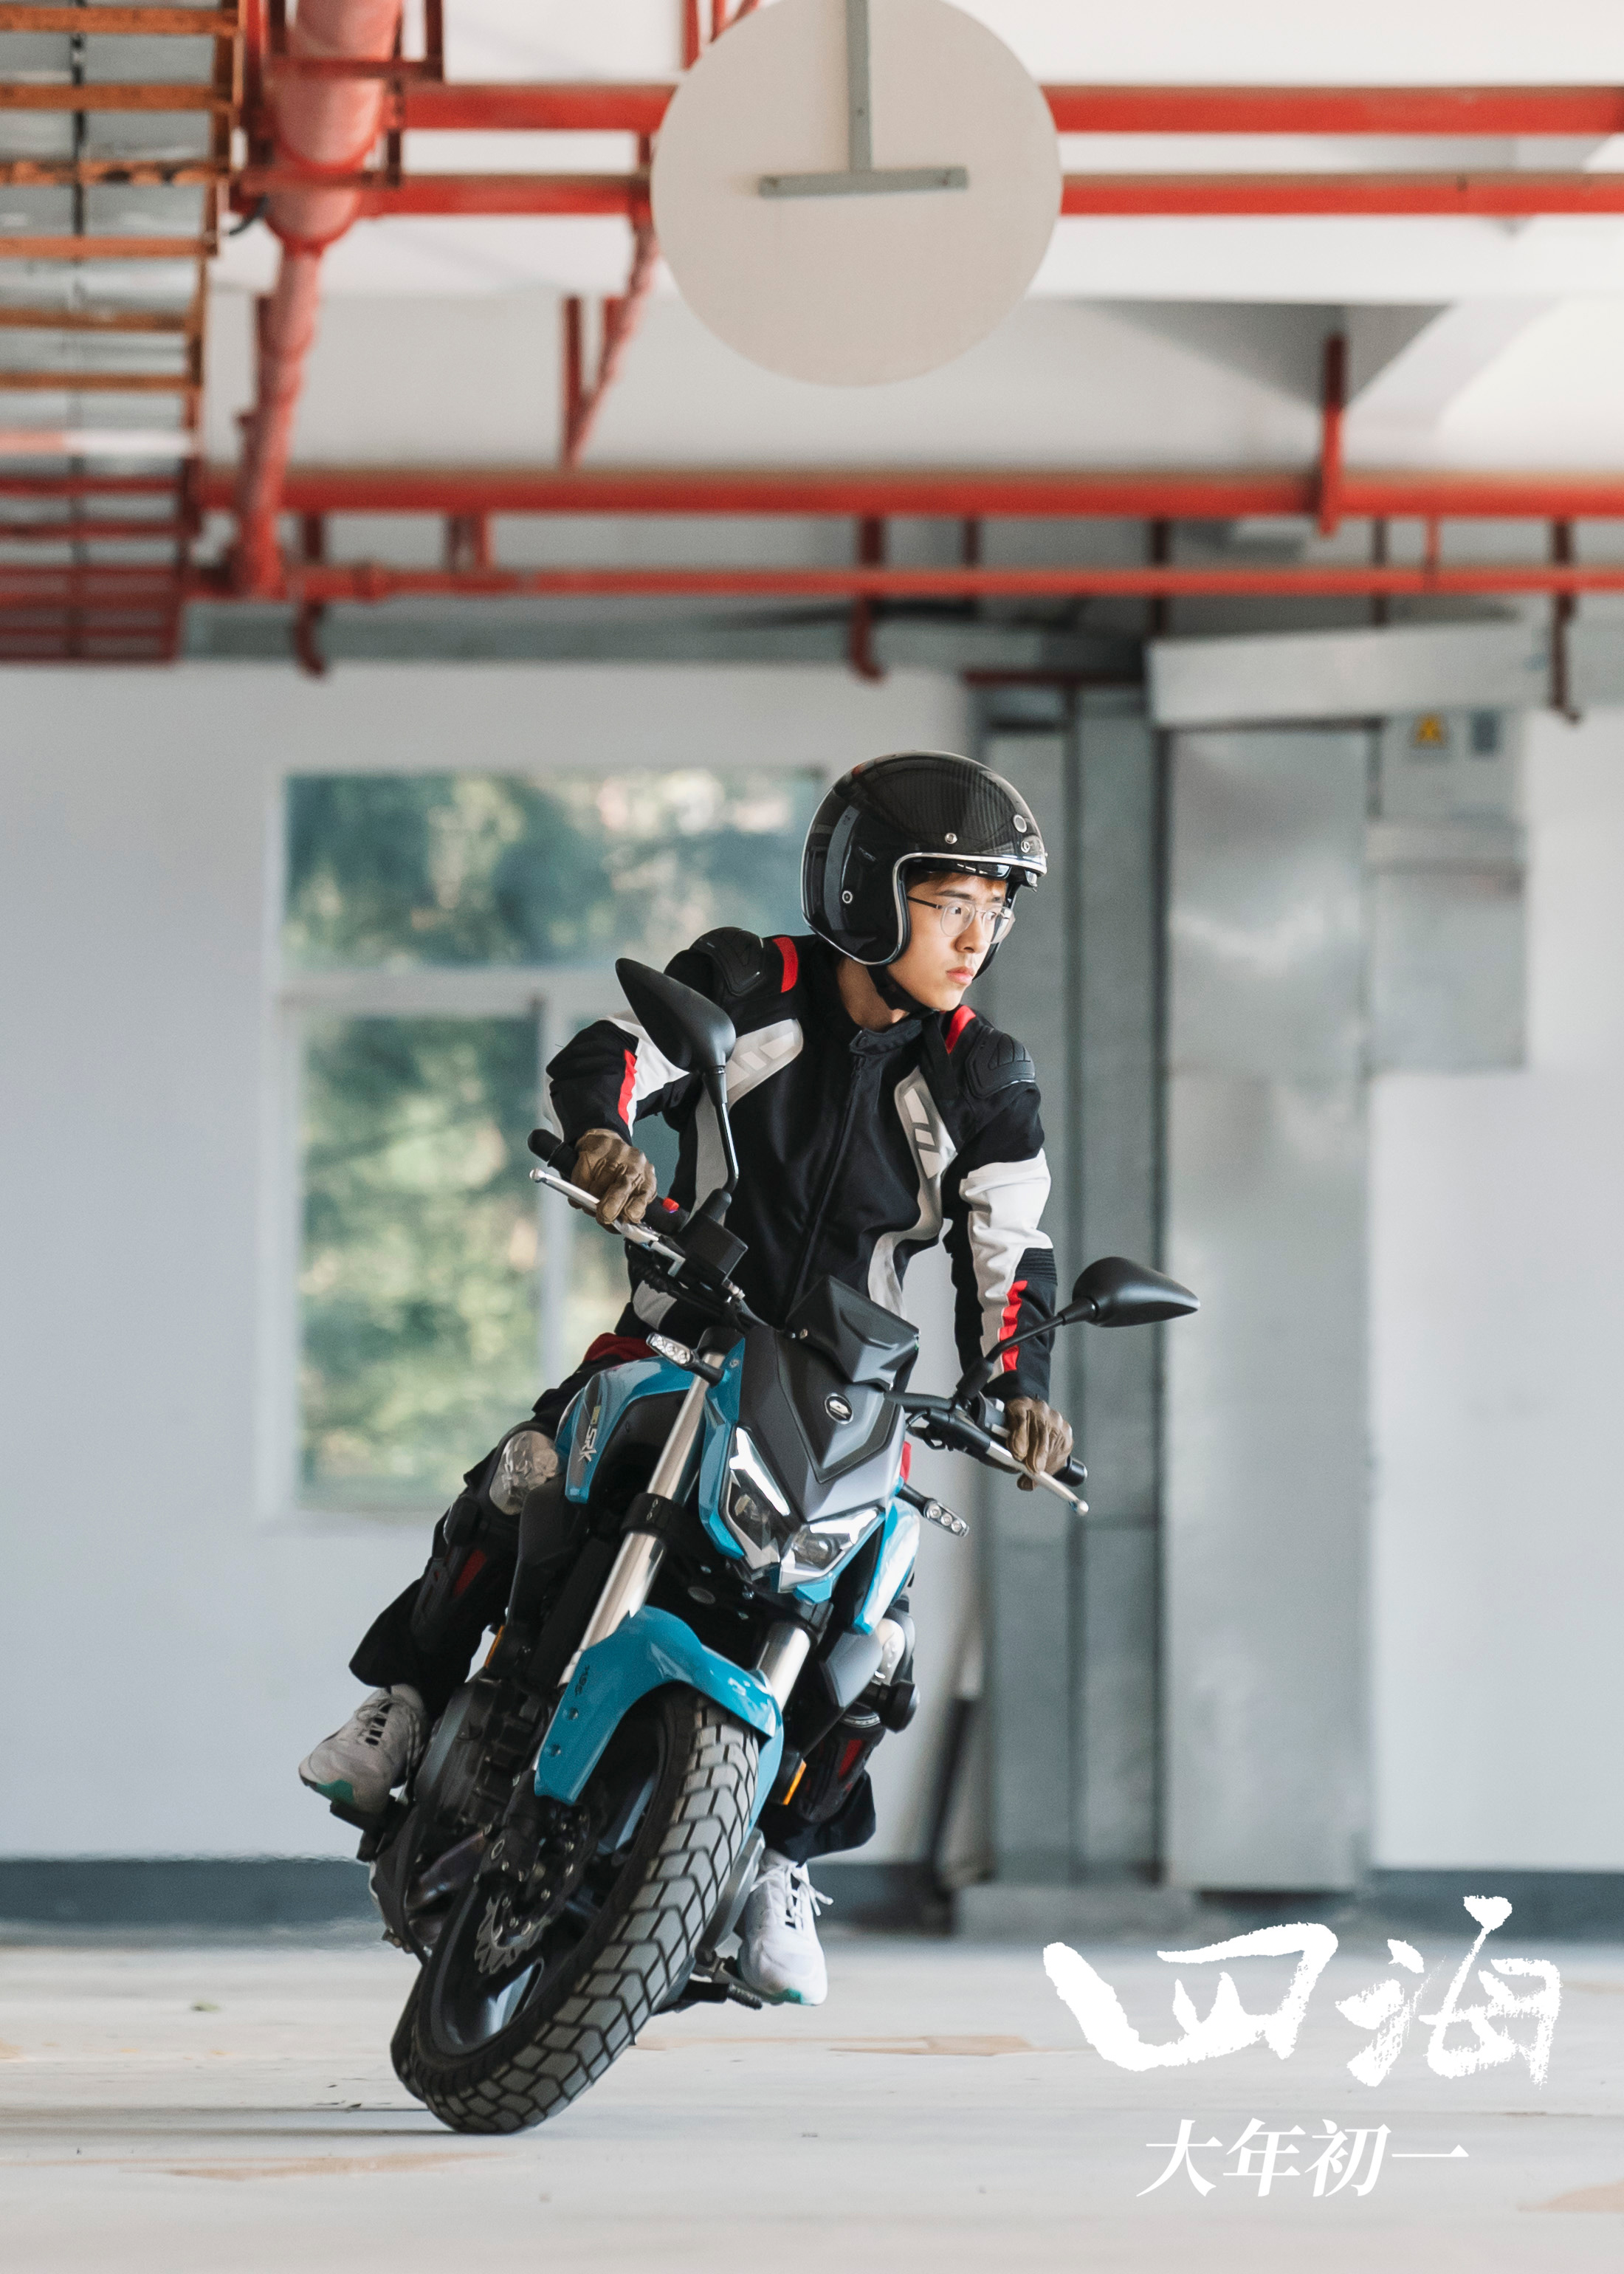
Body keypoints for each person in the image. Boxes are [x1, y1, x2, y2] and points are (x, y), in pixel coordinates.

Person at [299, 749, 1073, 2005]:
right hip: (682, 1339)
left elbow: (1013, 1250)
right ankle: (406, 1701)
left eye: (995, 909)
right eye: (949, 904)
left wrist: (1019, 1382)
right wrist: (606, 1139)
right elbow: (609, 1055)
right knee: (528, 1472)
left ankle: (776, 1860)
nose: (977, 938)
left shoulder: (985, 1079)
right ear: (869, 889)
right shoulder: (753, 985)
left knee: (879, 1642)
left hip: (846, 1403)